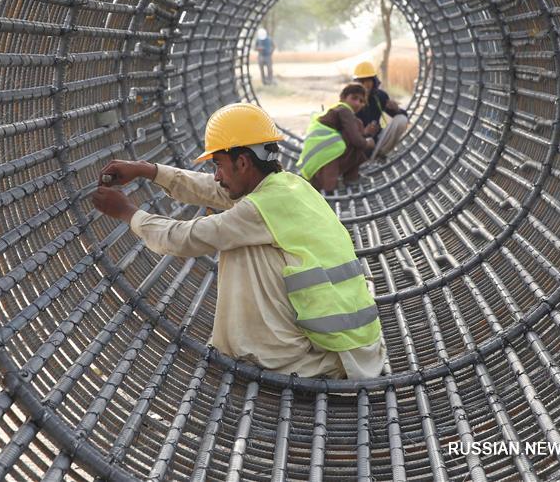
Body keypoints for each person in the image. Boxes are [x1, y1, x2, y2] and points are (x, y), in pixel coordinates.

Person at [92, 103, 386, 379]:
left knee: (237, 244)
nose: (217, 175)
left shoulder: (258, 209)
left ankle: (263, 354)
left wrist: (128, 213)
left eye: (218, 164)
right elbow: (213, 189)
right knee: (241, 233)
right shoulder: (289, 186)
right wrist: (147, 170)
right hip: (357, 345)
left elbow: (183, 238)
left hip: (337, 352)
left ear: (243, 162)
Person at [296, 84, 375, 192]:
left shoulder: (336, 109)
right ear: (343, 97)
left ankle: (349, 177)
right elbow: (356, 140)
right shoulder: (344, 110)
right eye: (354, 98)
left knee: (357, 126)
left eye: (361, 101)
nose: (358, 103)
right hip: (324, 160)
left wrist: (364, 134)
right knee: (357, 133)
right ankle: (336, 182)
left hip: (314, 163)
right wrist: (368, 142)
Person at [352, 61, 409, 161]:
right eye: (362, 81)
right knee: (367, 141)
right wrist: (364, 133)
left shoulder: (380, 96)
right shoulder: (352, 101)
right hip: (360, 146)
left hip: (378, 142)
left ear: (374, 81)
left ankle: (379, 155)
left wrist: (396, 109)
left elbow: (401, 116)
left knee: (401, 119)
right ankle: (367, 160)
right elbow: (347, 133)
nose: (365, 85)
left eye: (368, 80)